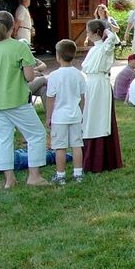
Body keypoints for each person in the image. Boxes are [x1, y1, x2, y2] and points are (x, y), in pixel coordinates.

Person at [0, 11, 49, 188]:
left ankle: (9, 180)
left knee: (4, 140)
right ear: (13, 26)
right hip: (17, 100)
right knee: (37, 135)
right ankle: (34, 176)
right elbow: (30, 77)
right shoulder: (19, 47)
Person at [82, 19, 123, 173]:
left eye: (88, 32)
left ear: (96, 33)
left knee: (99, 117)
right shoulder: (94, 49)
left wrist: (106, 30)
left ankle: (100, 156)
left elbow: (113, 39)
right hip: (92, 84)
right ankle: (88, 153)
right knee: (90, 116)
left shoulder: (105, 48)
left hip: (100, 84)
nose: (87, 35)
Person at [45, 39, 87, 185]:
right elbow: (82, 98)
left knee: (59, 147)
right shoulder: (79, 75)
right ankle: (78, 174)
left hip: (59, 117)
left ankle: (60, 175)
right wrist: (81, 113)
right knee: (77, 145)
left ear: (58, 56)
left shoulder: (54, 76)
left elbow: (50, 99)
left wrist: (48, 117)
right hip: (75, 115)